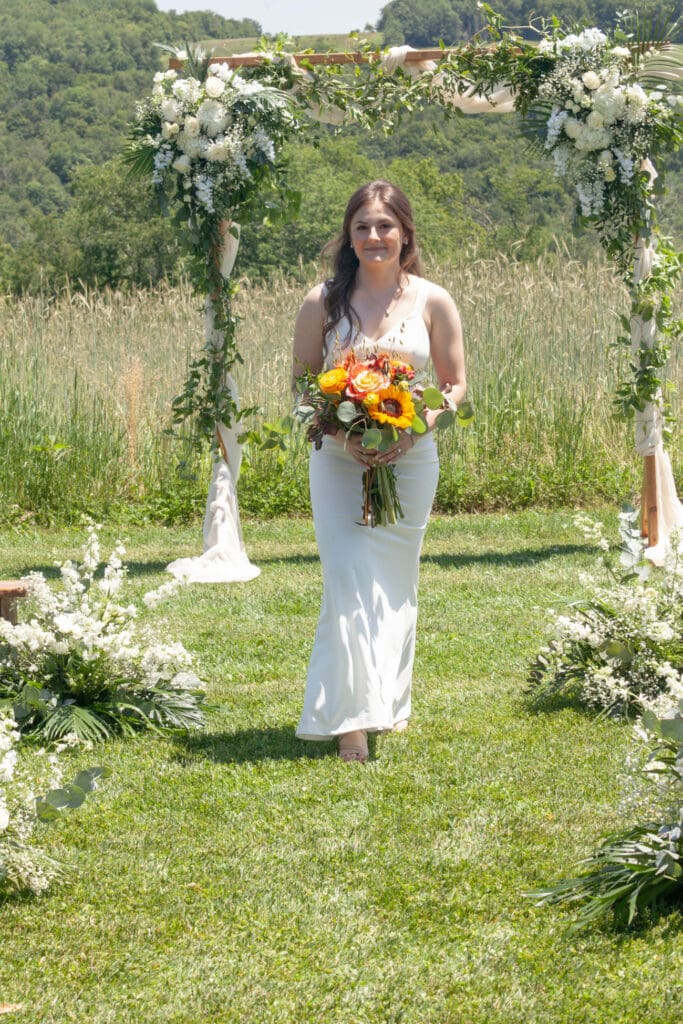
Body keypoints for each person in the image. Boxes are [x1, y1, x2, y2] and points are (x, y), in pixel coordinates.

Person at [292, 180, 466, 762]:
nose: (374, 236)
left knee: (392, 584)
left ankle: (387, 698)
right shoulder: (322, 302)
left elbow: (454, 385)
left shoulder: (434, 300)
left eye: (385, 226)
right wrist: (345, 433)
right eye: (362, 226)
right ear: (348, 234)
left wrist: (415, 429)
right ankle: (351, 724)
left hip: (412, 462)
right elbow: (301, 381)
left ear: (406, 233)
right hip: (338, 462)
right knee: (346, 580)